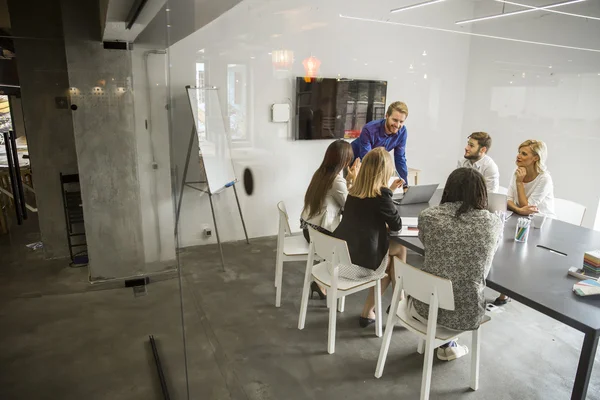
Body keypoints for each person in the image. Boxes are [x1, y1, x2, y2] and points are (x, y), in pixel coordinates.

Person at [408, 168, 503, 361]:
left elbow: (427, 243)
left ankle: (447, 344)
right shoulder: (492, 222)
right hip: (466, 311)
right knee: (459, 280)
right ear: (481, 193)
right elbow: (490, 254)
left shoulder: (428, 216)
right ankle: (448, 345)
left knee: (443, 274)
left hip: (425, 305)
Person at [333, 147, 407, 327]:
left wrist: (387, 192)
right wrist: (388, 193)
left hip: (340, 259)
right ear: (385, 171)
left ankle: (380, 309)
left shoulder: (353, 192)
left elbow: (367, 215)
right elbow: (396, 224)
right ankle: (399, 301)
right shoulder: (381, 197)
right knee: (396, 260)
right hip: (358, 266)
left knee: (396, 253)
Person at [494, 139, 556, 306]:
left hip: (540, 224)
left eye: (524, 153)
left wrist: (520, 185)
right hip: (519, 217)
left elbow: (527, 205)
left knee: (514, 251)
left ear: (536, 158)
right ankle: (505, 289)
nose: (518, 156)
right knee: (503, 245)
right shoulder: (517, 172)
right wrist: (520, 210)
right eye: (519, 152)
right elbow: (509, 200)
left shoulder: (544, 179)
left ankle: (506, 291)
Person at [301, 140, 360, 299]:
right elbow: (350, 207)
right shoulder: (336, 179)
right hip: (321, 234)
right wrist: (354, 180)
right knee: (353, 240)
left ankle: (319, 282)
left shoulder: (320, 173)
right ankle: (325, 281)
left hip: (309, 229)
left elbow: (339, 197)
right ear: (345, 160)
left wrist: (348, 181)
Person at [351, 101, 409, 186]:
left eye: (401, 121)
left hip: (374, 163)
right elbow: (367, 158)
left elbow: (400, 158)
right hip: (355, 160)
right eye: (395, 120)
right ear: (387, 116)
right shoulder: (369, 129)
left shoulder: (402, 132)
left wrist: (405, 185)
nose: (397, 125)